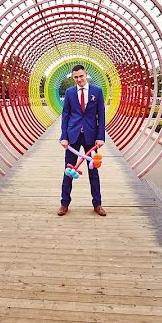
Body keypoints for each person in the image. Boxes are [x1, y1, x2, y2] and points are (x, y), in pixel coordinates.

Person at [58, 64, 106, 216]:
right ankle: (64, 204)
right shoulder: (70, 92)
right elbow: (65, 115)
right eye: (76, 77)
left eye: (81, 76)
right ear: (73, 78)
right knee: (69, 170)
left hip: (91, 138)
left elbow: (101, 115)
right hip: (73, 136)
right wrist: (64, 137)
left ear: (86, 75)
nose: (79, 79)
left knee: (94, 171)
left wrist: (100, 137)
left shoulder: (97, 92)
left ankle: (97, 204)